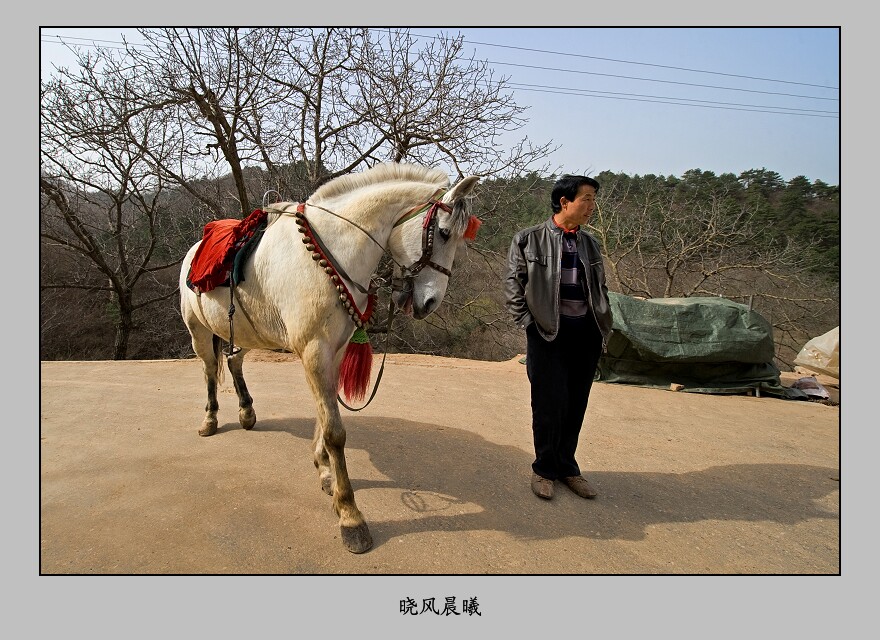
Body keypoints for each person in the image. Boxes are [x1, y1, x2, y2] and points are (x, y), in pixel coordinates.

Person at [504, 174, 613, 500]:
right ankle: (544, 470)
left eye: (594, 199)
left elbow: (600, 287)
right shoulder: (528, 239)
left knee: (576, 403)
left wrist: (603, 324)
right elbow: (513, 285)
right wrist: (528, 323)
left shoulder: (589, 243)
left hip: (586, 333)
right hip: (548, 334)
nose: (592, 206)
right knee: (548, 405)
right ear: (565, 202)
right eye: (587, 199)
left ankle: (567, 468)